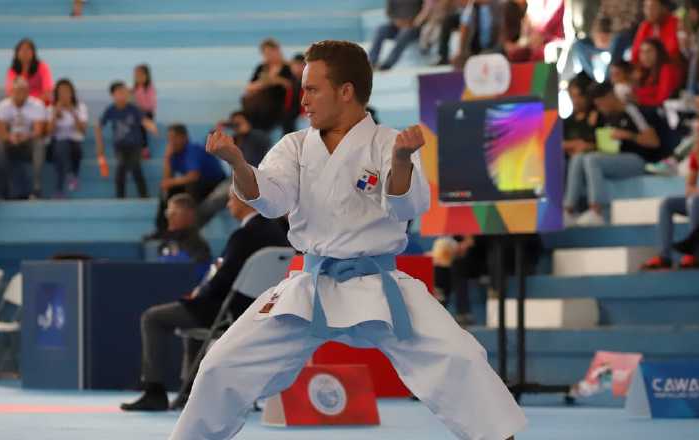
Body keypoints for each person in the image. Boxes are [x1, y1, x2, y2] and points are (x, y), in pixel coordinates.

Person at [169, 40, 525, 440]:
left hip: (379, 284)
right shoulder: (295, 146)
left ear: (346, 91)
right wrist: (237, 163)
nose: (302, 99)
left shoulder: (390, 143)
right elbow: (270, 199)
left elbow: (405, 207)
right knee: (221, 363)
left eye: (312, 89)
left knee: (460, 356)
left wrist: (404, 162)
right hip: (310, 284)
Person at [121, 188, 289, 412]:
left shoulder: (244, 235)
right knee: (195, 314)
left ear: (246, 202)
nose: (228, 205)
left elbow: (223, 279)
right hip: (260, 311)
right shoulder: (278, 234)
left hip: (229, 311)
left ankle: (154, 392)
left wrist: (199, 294)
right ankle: (191, 390)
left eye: (230, 200)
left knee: (153, 317)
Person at [565, 81, 664, 227]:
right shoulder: (606, 117)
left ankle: (597, 210)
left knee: (592, 160)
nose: (599, 108)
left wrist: (629, 135)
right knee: (579, 158)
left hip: (637, 160)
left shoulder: (632, 111)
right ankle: (568, 209)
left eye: (600, 104)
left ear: (610, 97)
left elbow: (654, 142)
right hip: (615, 158)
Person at [641, 123, 699, 270]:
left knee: (695, 201)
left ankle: (694, 253)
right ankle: (664, 256)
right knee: (668, 204)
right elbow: (690, 186)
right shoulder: (695, 154)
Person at [151, 124, 225, 235]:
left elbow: (193, 176)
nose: (171, 142)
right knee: (168, 192)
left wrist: (170, 183)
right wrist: (167, 158)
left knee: (189, 186)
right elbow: (167, 181)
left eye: (174, 138)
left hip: (214, 182)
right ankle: (162, 230)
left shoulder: (192, 150)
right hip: (197, 184)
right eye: (169, 139)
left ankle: (188, 228)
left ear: (184, 137)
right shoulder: (174, 154)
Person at [95, 81, 157, 198]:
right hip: (120, 146)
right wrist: (99, 145)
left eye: (125, 92)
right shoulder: (110, 110)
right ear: (113, 95)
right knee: (121, 167)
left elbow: (144, 121)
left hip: (135, 145)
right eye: (119, 92)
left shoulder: (133, 109)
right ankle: (120, 197)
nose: (123, 95)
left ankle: (144, 195)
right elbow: (99, 125)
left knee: (136, 167)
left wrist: (151, 127)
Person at [0, 77, 46, 199]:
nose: (20, 94)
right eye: (17, 90)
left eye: (24, 90)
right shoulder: (3, 106)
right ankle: (3, 188)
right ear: (11, 91)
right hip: (10, 142)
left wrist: (26, 136)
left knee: (39, 144)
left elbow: (38, 131)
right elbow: (1, 132)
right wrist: (11, 137)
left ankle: (36, 187)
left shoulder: (37, 105)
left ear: (28, 91)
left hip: (28, 141)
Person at [242, 39, 296, 132]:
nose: (268, 56)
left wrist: (276, 80)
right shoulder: (261, 67)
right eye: (266, 54)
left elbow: (292, 85)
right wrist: (264, 83)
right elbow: (249, 87)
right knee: (248, 99)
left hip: (279, 102)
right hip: (260, 103)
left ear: (277, 51)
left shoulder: (288, 67)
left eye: (271, 52)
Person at [47, 79, 87, 196]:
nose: (64, 95)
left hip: (75, 145)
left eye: (67, 91)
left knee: (68, 149)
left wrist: (72, 112)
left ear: (72, 93)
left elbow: (82, 130)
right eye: (61, 92)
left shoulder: (80, 107)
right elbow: (49, 132)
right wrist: (55, 115)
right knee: (61, 147)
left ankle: (59, 189)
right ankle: (71, 174)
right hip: (56, 144)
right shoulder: (51, 108)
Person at [368, 0, 428, 71]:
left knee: (405, 33)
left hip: (415, 27)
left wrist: (412, 23)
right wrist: (398, 22)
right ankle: (371, 62)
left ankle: (387, 65)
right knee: (381, 29)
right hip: (397, 25)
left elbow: (426, 10)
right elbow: (389, 13)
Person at [153, 193, 211, 264]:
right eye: (168, 213)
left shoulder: (199, 247)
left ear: (189, 216)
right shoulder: (161, 240)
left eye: (174, 213)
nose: (169, 217)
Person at [5, 39, 54, 105]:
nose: (25, 53)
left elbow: (48, 91)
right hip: (19, 105)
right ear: (17, 53)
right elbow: (10, 92)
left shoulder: (42, 67)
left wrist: (32, 105)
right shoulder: (12, 70)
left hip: (41, 105)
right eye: (22, 50)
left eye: (28, 50)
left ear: (33, 52)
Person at [563, 74, 601, 158]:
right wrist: (573, 144)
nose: (576, 101)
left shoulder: (598, 116)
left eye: (580, 96)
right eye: (573, 96)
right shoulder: (566, 122)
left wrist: (587, 146)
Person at [133, 64, 156, 159]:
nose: (138, 77)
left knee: (142, 127)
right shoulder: (135, 88)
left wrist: (141, 108)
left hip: (147, 113)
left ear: (147, 76)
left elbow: (150, 104)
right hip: (137, 113)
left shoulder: (149, 88)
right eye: (136, 75)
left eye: (141, 75)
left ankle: (144, 149)